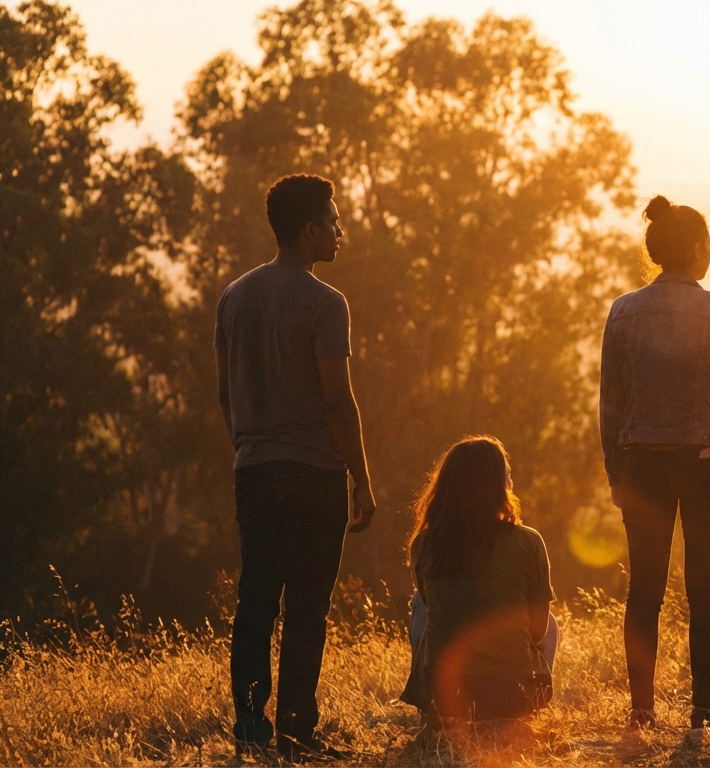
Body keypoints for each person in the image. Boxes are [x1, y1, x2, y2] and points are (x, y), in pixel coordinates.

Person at [215, 174, 376, 761]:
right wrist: (361, 477)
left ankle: (250, 728)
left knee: (256, 599)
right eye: (333, 222)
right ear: (309, 232)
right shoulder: (326, 303)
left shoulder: (234, 296)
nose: (340, 231)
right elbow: (338, 401)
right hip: (313, 474)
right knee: (308, 606)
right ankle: (296, 733)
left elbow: (224, 392)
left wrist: (248, 446)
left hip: (253, 469)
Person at [599, 195, 710, 734]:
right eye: (709, 245)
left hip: (642, 463)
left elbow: (611, 401)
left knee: (644, 590)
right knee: (704, 589)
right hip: (709, 463)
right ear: (695, 249)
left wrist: (614, 471)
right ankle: (702, 708)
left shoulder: (623, 311)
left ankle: (641, 708)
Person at [400, 436, 558, 726]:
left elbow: (434, 608)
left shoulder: (424, 543)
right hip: (511, 700)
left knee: (420, 606)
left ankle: (431, 703)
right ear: (501, 485)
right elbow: (538, 629)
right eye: (508, 475)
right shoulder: (528, 541)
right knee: (552, 624)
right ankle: (529, 704)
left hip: (442, 702)